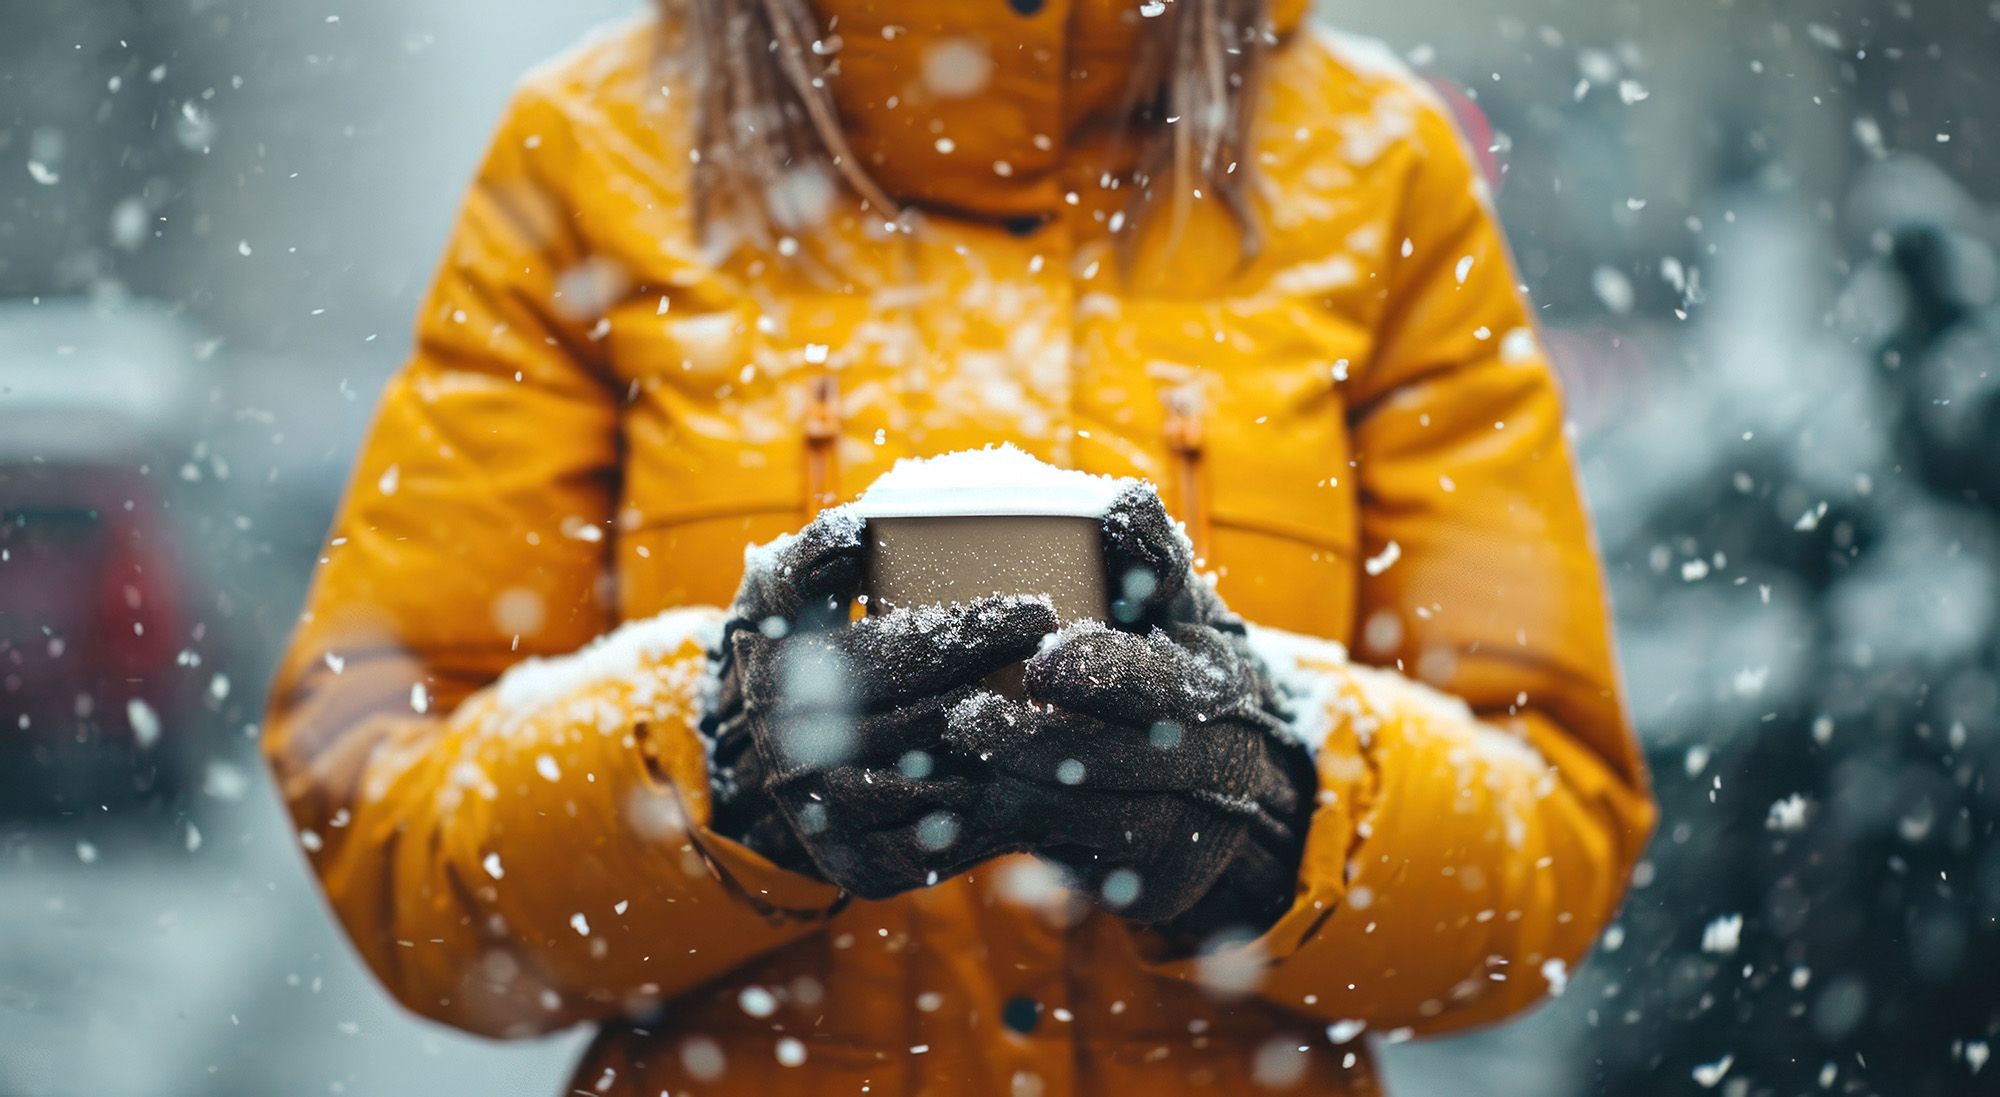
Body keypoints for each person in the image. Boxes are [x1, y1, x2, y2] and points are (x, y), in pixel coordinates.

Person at [263, 1, 1656, 1093]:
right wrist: (717, 769)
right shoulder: (594, 149)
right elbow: (390, 820)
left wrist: (1275, 804)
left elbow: (1555, 830)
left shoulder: (1378, 167)